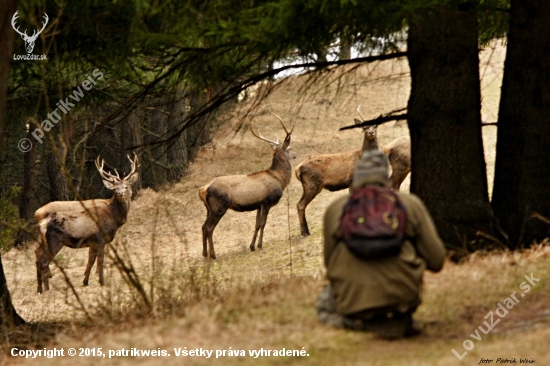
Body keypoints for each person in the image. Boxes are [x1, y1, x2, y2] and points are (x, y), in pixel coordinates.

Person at [318, 150, 446, 339]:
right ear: (385, 175)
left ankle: (354, 321)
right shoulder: (410, 204)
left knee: (324, 300)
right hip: (403, 296)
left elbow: (329, 264)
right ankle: (401, 318)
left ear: (357, 174)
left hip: (353, 298)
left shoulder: (337, 208)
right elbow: (436, 261)